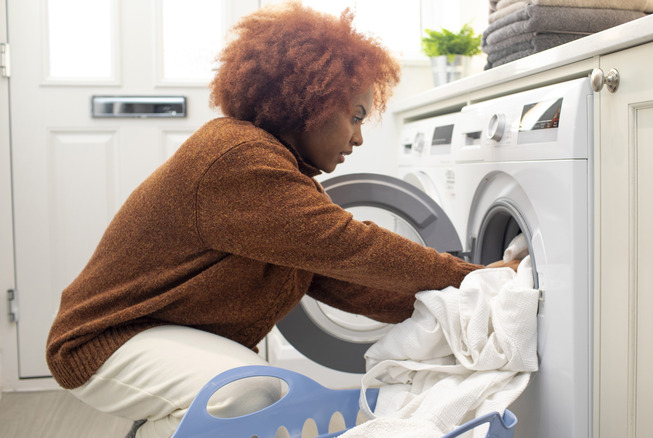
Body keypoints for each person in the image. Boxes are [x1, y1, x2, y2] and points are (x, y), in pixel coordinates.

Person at [45, 3, 519, 438]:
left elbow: (345, 281)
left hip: (157, 333)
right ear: (309, 99)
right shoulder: (237, 158)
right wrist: (472, 278)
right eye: (354, 116)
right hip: (105, 340)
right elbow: (351, 247)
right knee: (245, 394)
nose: (357, 137)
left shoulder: (283, 178)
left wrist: (455, 312)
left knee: (255, 393)